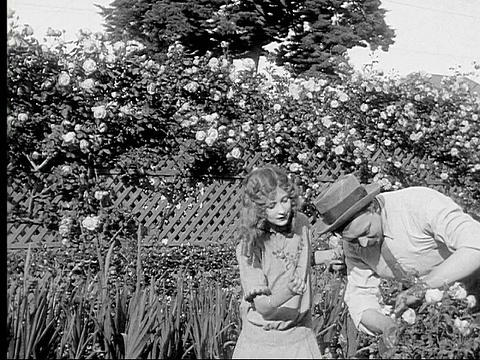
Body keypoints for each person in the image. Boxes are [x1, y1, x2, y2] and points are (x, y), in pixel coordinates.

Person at [313, 173, 480, 349]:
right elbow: (360, 297)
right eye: (353, 240)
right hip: (449, 315)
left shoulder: (418, 204)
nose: (363, 243)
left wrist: (423, 287)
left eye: (365, 231)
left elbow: (475, 243)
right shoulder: (353, 246)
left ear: (373, 207)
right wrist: (386, 325)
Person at [232, 165, 322, 359]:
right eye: (271, 206)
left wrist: (330, 256)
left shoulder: (301, 224)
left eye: (285, 201)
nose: (282, 210)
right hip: (263, 343)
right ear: (257, 208)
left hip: (300, 336)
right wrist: (288, 292)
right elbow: (263, 306)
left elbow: (297, 260)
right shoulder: (250, 246)